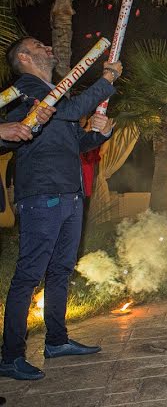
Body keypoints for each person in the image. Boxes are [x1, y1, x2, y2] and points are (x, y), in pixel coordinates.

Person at [0, 37, 120, 381]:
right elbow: (70, 111)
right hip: (42, 194)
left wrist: (100, 135)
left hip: (68, 193)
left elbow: (71, 141)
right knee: (29, 274)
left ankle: (56, 340)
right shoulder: (25, 88)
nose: (50, 49)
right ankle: (10, 356)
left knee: (60, 270)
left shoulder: (54, 93)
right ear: (24, 56)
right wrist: (107, 81)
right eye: (40, 45)